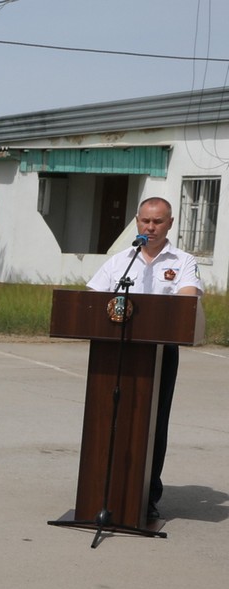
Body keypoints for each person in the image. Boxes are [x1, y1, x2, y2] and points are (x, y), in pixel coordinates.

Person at [86, 196, 201, 521]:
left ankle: (147, 496)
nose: (150, 228)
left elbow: (186, 302)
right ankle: (102, 492)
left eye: (158, 222)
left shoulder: (183, 261)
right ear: (137, 221)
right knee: (108, 418)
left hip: (161, 352)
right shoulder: (120, 261)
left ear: (170, 224)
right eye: (145, 221)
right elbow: (93, 301)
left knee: (154, 423)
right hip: (116, 350)